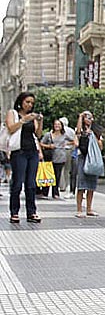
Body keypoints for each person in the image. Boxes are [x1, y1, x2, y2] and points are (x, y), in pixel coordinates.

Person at [6, 92, 43, 223]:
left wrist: (39, 121)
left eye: (32, 103)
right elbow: (10, 128)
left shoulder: (32, 117)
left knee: (31, 183)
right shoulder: (13, 113)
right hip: (19, 151)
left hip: (32, 151)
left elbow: (38, 134)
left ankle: (31, 212)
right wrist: (23, 120)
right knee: (17, 182)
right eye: (27, 102)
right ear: (21, 101)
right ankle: (14, 212)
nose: (29, 105)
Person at [73, 111, 103, 218]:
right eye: (86, 117)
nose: (88, 119)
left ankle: (89, 208)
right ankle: (79, 209)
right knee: (81, 185)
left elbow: (100, 146)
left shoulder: (96, 131)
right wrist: (80, 116)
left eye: (90, 117)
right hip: (83, 157)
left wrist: (95, 139)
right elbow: (78, 134)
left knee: (91, 185)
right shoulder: (81, 130)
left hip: (93, 158)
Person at [39, 118, 70, 200]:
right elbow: (41, 143)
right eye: (56, 124)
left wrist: (66, 144)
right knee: (48, 175)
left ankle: (55, 193)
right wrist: (49, 146)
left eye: (59, 124)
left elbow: (74, 140)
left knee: (57, 176)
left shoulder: (64, 135)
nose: (57, 126)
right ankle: (45, 192)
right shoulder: (48, 134)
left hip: (60, 157)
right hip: (50, 157)